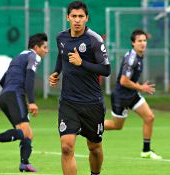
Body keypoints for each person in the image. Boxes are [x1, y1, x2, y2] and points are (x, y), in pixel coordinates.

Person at [49, 1, 110, 175]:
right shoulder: (61, 37)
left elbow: (106, 70)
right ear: (68, 17)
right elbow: (62, 57)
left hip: (92, 103)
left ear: (86, 18)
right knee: (66, 147)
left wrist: (82, 62)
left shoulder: (94, 40)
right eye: (74, 16)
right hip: (69, 102)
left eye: (80, 16)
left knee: (95, 148)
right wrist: (56, 72)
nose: (77, 20)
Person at [0, 33, 48, 172]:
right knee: (23, 132)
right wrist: (32, 102)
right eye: (45, 47)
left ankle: (24, 163)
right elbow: (30, 79)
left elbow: (2, 81)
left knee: (27, 133)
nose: (46, 51)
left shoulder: (17, 57)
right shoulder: (34, 56)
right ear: (36, 47)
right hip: (15, 95)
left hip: (5, 97)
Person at [104, 29, 162, 160]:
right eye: (139, 41)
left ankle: (146, 151)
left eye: (144, 40)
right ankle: (89, 126)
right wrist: (141, 87)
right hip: (121, 96)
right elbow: (123, 81)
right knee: (116, 126)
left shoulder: (139, 55)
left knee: (149, 117)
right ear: (133, 43)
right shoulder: (132, 59)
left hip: (132, 94)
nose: (143, 43)